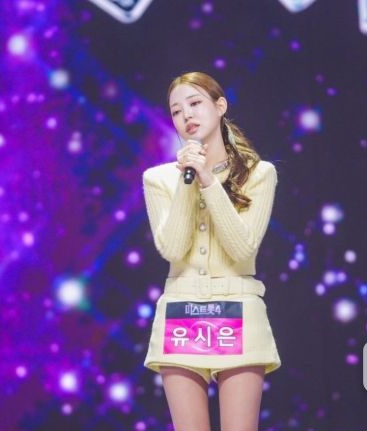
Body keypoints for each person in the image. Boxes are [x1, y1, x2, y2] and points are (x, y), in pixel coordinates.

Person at [142, 71, 281, 431]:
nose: (186, 115)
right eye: (176, 111)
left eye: (195, 103)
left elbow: (242, 247)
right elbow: (172, 248)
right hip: (181, 311)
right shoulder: (159, 179)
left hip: (238, 308)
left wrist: (208, 180)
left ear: (220, 107)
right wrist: (188, 182)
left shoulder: (259, 174)